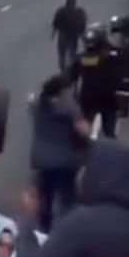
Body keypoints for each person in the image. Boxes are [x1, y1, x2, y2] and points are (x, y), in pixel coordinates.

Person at [29, 74, 91, 233]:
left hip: (42, 159)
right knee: (68, 198)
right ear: (63, 91)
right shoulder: (69, 107)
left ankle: (44, 230)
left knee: (45, 196)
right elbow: (84, 131)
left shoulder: (38, 104)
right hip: (65, 160)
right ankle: (69, 231)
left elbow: (30, 102)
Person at [69, 29, 124, 138]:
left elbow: (71, 76)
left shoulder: (82, 58)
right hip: (107, 97)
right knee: (109, 132)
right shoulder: (112, 55)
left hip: (89, 97)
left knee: (83, 131)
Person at [51, 0, 88, 72]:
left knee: (64, 54)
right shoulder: (78, 12)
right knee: (69, 53)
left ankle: (65, 69)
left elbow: (55, 23)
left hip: (66, 35)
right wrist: (83, 37)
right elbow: (82, 24)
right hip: (70, 35)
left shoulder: (61, 11)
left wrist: (53, 33)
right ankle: (68, 69)